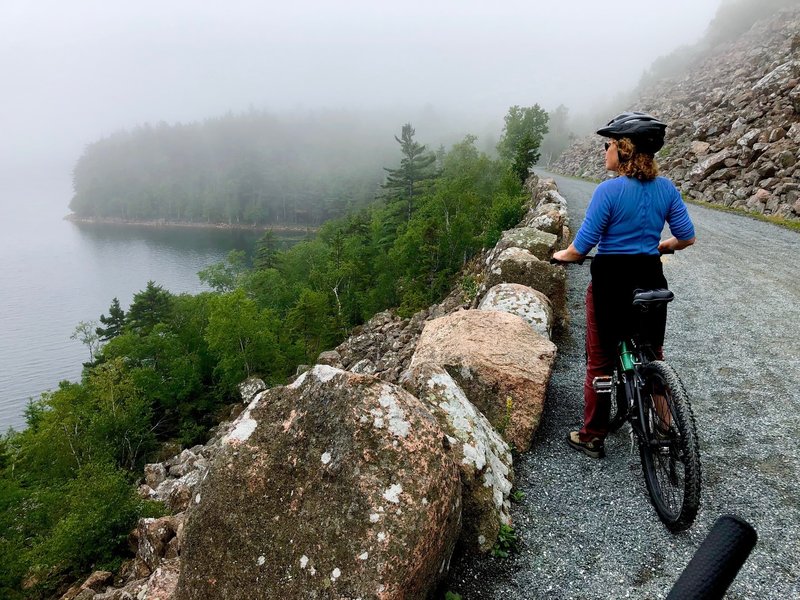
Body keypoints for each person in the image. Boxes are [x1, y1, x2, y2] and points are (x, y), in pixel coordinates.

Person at [552, 111, 696, 458]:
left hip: (612, 282)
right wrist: (662, 245)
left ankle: (592, 435)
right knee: (653, 354)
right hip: (650, 277)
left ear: (624, 149)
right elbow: (687, 237)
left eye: (609, 145)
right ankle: (666, 431)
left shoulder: (609, 191)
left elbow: (580, 249)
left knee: (600, 362)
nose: (605, 151)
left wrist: (560, 255)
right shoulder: (666, 188)